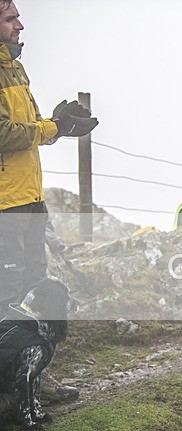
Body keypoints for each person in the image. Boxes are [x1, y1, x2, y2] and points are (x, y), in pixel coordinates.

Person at [1, 1, 95, 402]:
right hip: (6, 203)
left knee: (32, 287)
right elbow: (5, 133)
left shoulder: (14, 66)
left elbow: (30, 125)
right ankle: (11, 389)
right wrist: (52, 127)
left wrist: (57, 123)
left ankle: (31, 378)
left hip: (28, 195)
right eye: (9, 18)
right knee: (8, 296)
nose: (20, 24)